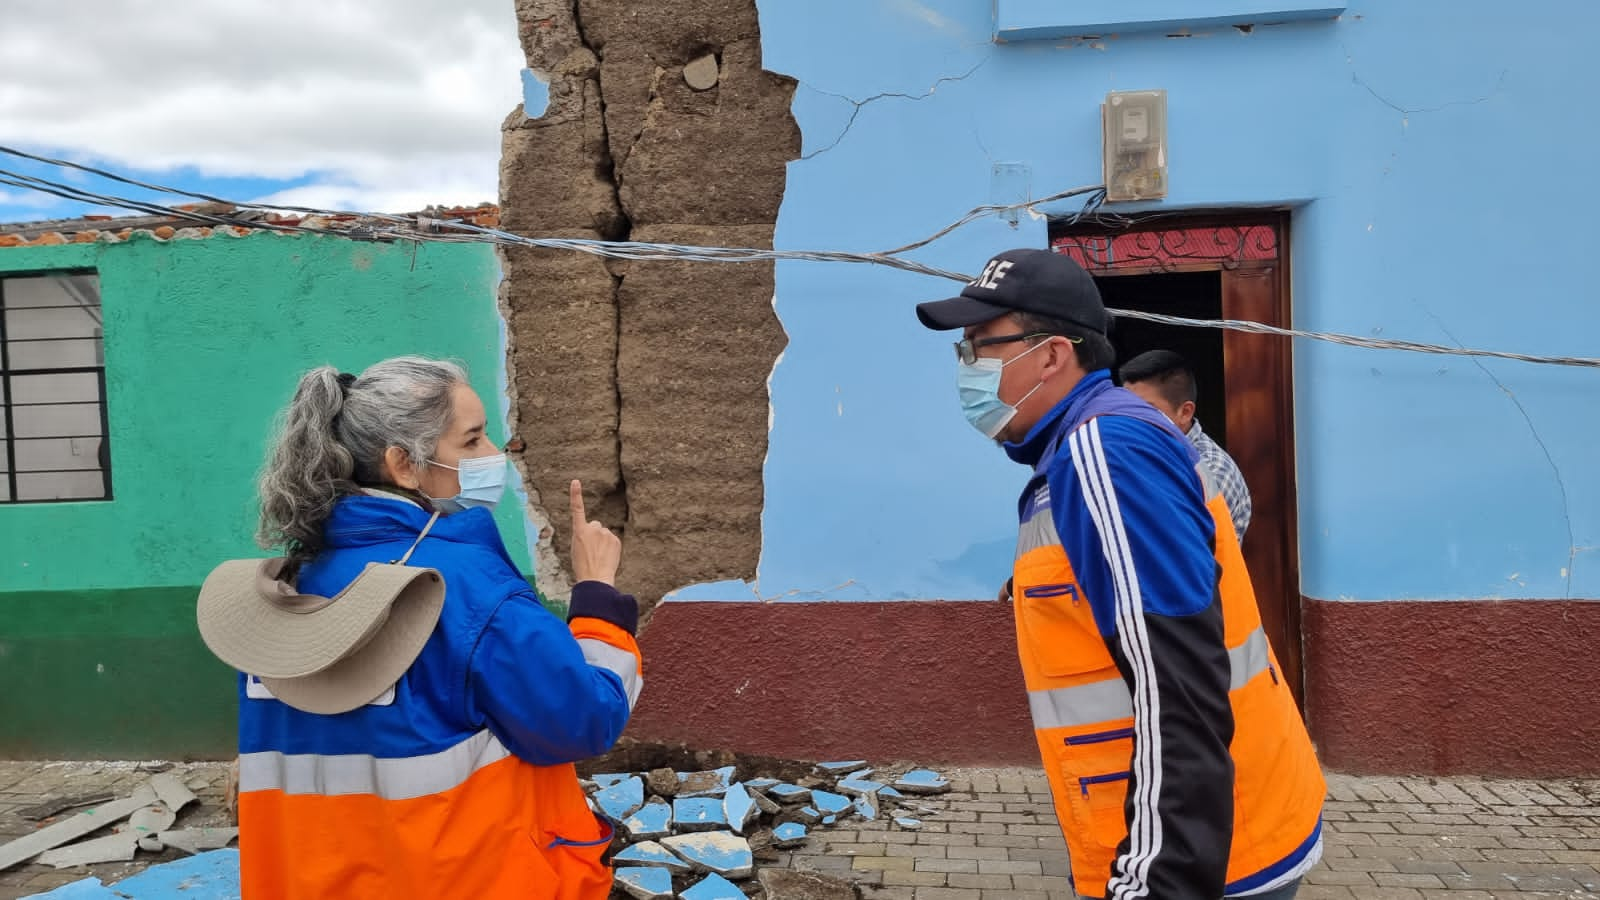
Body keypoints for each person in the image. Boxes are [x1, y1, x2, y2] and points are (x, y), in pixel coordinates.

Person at [917, 250, 1324, 900]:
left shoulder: (1103, 453)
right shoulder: (1085, 449)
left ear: (1050, 355)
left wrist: (1154, 883)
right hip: (1226, 836)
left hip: (1211, 859)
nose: (967, 368)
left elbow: (1178, 684)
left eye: (979, 347)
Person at [207, 357, 639, 900]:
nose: (495, 456)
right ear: (403, 466)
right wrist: (598, 595)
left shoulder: (285, 588)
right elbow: (582, 721)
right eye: (473, 441)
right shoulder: (471, 590)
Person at [1120, 349, 1253, 542]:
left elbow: (1169, 550)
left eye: (1146, 410)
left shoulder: (1213, 472)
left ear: (1185, 412)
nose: (1133, 419)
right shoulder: (1134, 455)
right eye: (1127, 409)